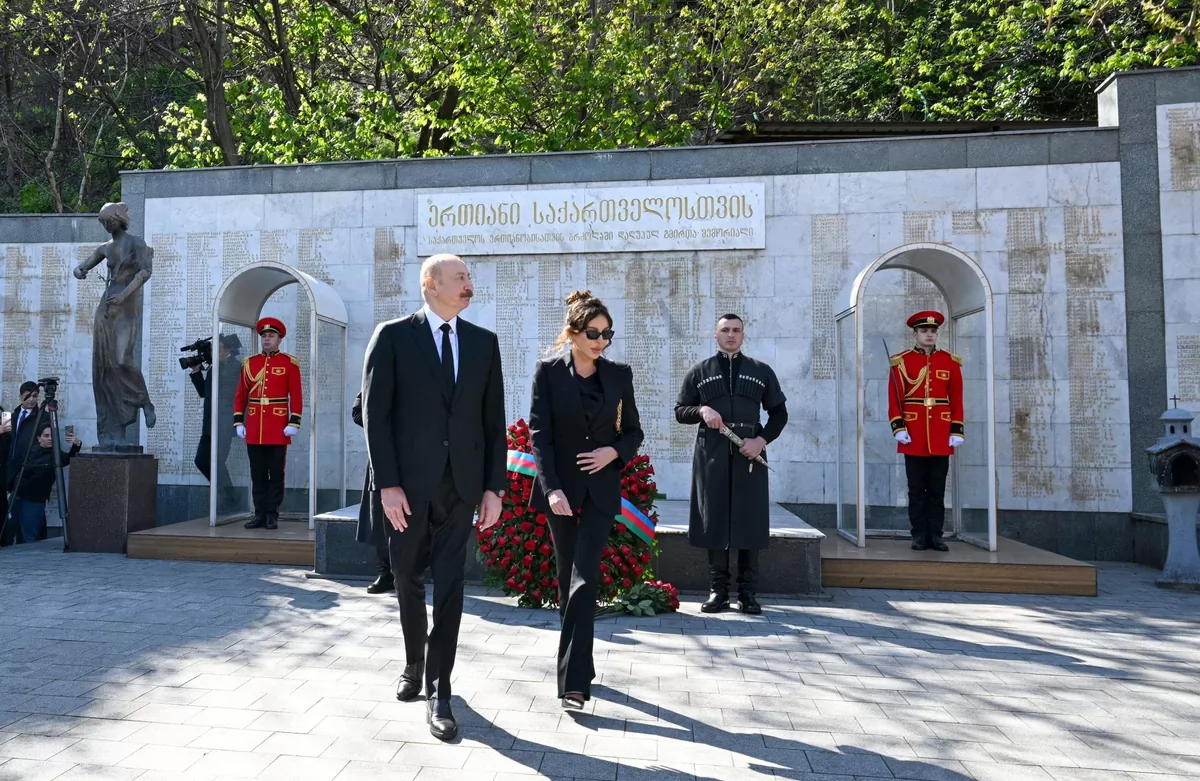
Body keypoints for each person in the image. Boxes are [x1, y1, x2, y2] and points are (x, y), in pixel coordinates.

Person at [361, 253, 506, 742]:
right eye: (459, 277)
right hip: (406, 489)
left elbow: (493, 422)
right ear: (431, 285)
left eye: (468, 277)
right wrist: (387, 485)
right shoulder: (393, 336)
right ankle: (413, 662)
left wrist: (494, 488)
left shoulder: (484, 343)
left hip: (461, 488)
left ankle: (440, 692)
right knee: (406, 576)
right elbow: (376, 416)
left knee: (451, 585)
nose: (468, 284)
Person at [529, 290, 643, 710]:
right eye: (593, 333)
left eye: (607, 333)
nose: (601, 341)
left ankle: (574, 683)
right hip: (560, 490)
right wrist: (552, 488)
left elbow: (633, 432)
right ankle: (580, 665)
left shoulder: (619, 375)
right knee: (567, 580)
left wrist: (613, 452)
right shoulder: (548, 373)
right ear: (573, 333)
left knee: (584, 575)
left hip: (601, 490)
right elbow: (539, 435)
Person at [675, 314, 788, 615]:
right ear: (716, 335)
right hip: (711, 453)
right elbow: (680, 411)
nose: (731, 335)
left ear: (743, 335)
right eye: (725, 330)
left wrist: (760, 440)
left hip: (749, 451)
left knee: (750, 518)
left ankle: (747, 593)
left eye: (736, 330)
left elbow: (779, 414)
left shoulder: (760, 371)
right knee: (714, 518)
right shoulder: (700, 371)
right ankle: (718, 591)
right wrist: (702, 410)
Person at [72, 201, 156, 447]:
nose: (107, 225)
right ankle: (112, 429)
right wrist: (80, 271)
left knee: (121, 360)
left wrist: (124, 294)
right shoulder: (105, 248)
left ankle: (144, 401)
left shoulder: (136, 243)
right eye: (103, 222)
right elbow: (82, 266)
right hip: (106, 309)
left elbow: (144, 272)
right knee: (104, 368)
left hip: (126, 307)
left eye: (109, 220)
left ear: (119, 218)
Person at [888, 310, 964, 552]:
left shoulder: (950, 361)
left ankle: (936, 535)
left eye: (932, 331)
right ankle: (919, 535)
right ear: (915, 334)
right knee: (916, 490)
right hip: (914, 433)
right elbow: (894, 399)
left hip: (941, 434)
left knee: (937, 490)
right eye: (924, 331)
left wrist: (957, 429)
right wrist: (898, 426)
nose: (929, 335)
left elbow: (957, 398)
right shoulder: (901, 361)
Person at [233, 318, 302, 530]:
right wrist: (239, 421)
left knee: (276, 474)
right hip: (255, 427)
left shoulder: (289, 363)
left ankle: (272, 514)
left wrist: (294, 421)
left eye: (271, 336)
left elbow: (296, 395)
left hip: (278, 427)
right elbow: (240, 395)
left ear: (279, 339)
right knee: (258, 474)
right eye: (264, 336)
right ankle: (259, 514)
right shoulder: (250, 363)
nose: (266, 339)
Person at [187, 334, 241, 513]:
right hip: (210, 424)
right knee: (202, 460)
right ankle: (230, 496)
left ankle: (230, 498)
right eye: (212, 349)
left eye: (217, 349)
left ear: (227, 349)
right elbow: (205, 392)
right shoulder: (214, 367)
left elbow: (229, 395)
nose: (212, 353)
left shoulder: (234, 366)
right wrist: (196, 371)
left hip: (224, 424)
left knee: (216, 461)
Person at [6, 422, 82, 544]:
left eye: (52, 436)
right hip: (16, 496)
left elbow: (68, 459)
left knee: (29, 534)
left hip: (35, 500)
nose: (50, 439)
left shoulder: (56, 454)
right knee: (8, 531)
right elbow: (16, 470)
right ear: (39, 438)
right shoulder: (29, 451)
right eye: (46, 436)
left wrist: (76, 445)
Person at [351, 391, 392, 594]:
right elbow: (358, 412)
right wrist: (382, 426)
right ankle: (385, 572)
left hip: (419, 455)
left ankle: (411, 572)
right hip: (384, 454)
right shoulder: (380, 375)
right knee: (380, 516)